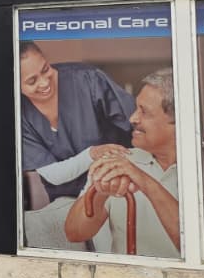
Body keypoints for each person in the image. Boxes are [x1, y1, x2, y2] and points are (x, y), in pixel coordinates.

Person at [17, 42, 134, 251]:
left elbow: (138, 126)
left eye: (45, 69)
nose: (44, 82)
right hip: (68, 197)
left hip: (119, 184)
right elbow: (52, 175)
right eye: (32, 81)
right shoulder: (20, 114)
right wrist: (91, 154)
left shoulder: (88, 80)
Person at [64, 68, 182, 258]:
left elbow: (197, 245)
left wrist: (144, 181)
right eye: (136, 108)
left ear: (178, 121)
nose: (132, 118)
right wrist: (100, 193)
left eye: (144, 112)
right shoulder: (118, 161)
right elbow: (74, 233)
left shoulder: (203, 170)